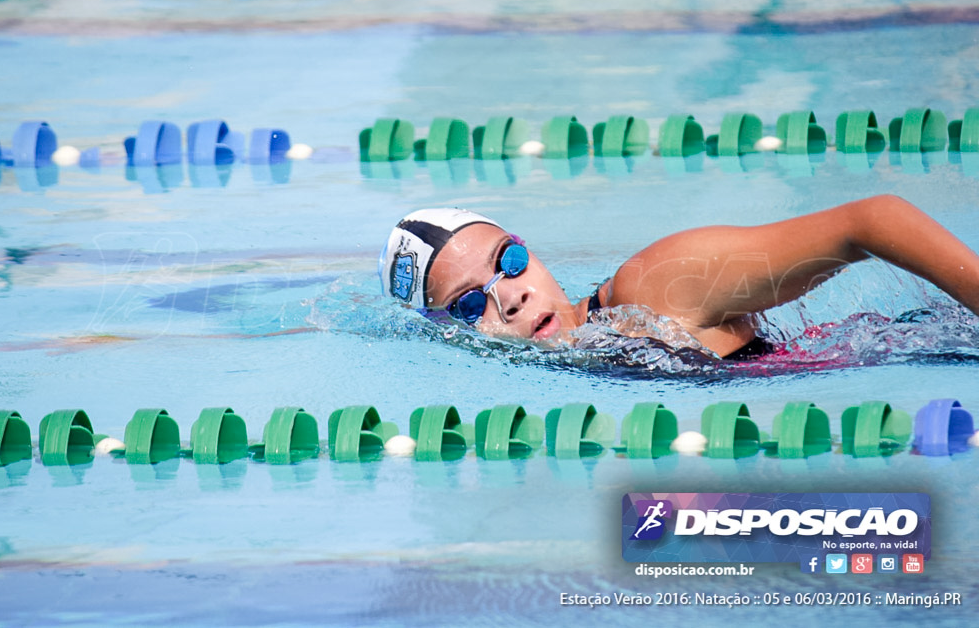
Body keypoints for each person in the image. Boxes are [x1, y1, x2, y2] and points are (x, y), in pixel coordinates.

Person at [378, 195, 979, 359]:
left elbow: (872, 220)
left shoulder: (653, 286)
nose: (510, 298)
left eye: (508, 261)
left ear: (529, 250)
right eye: (466, 307)